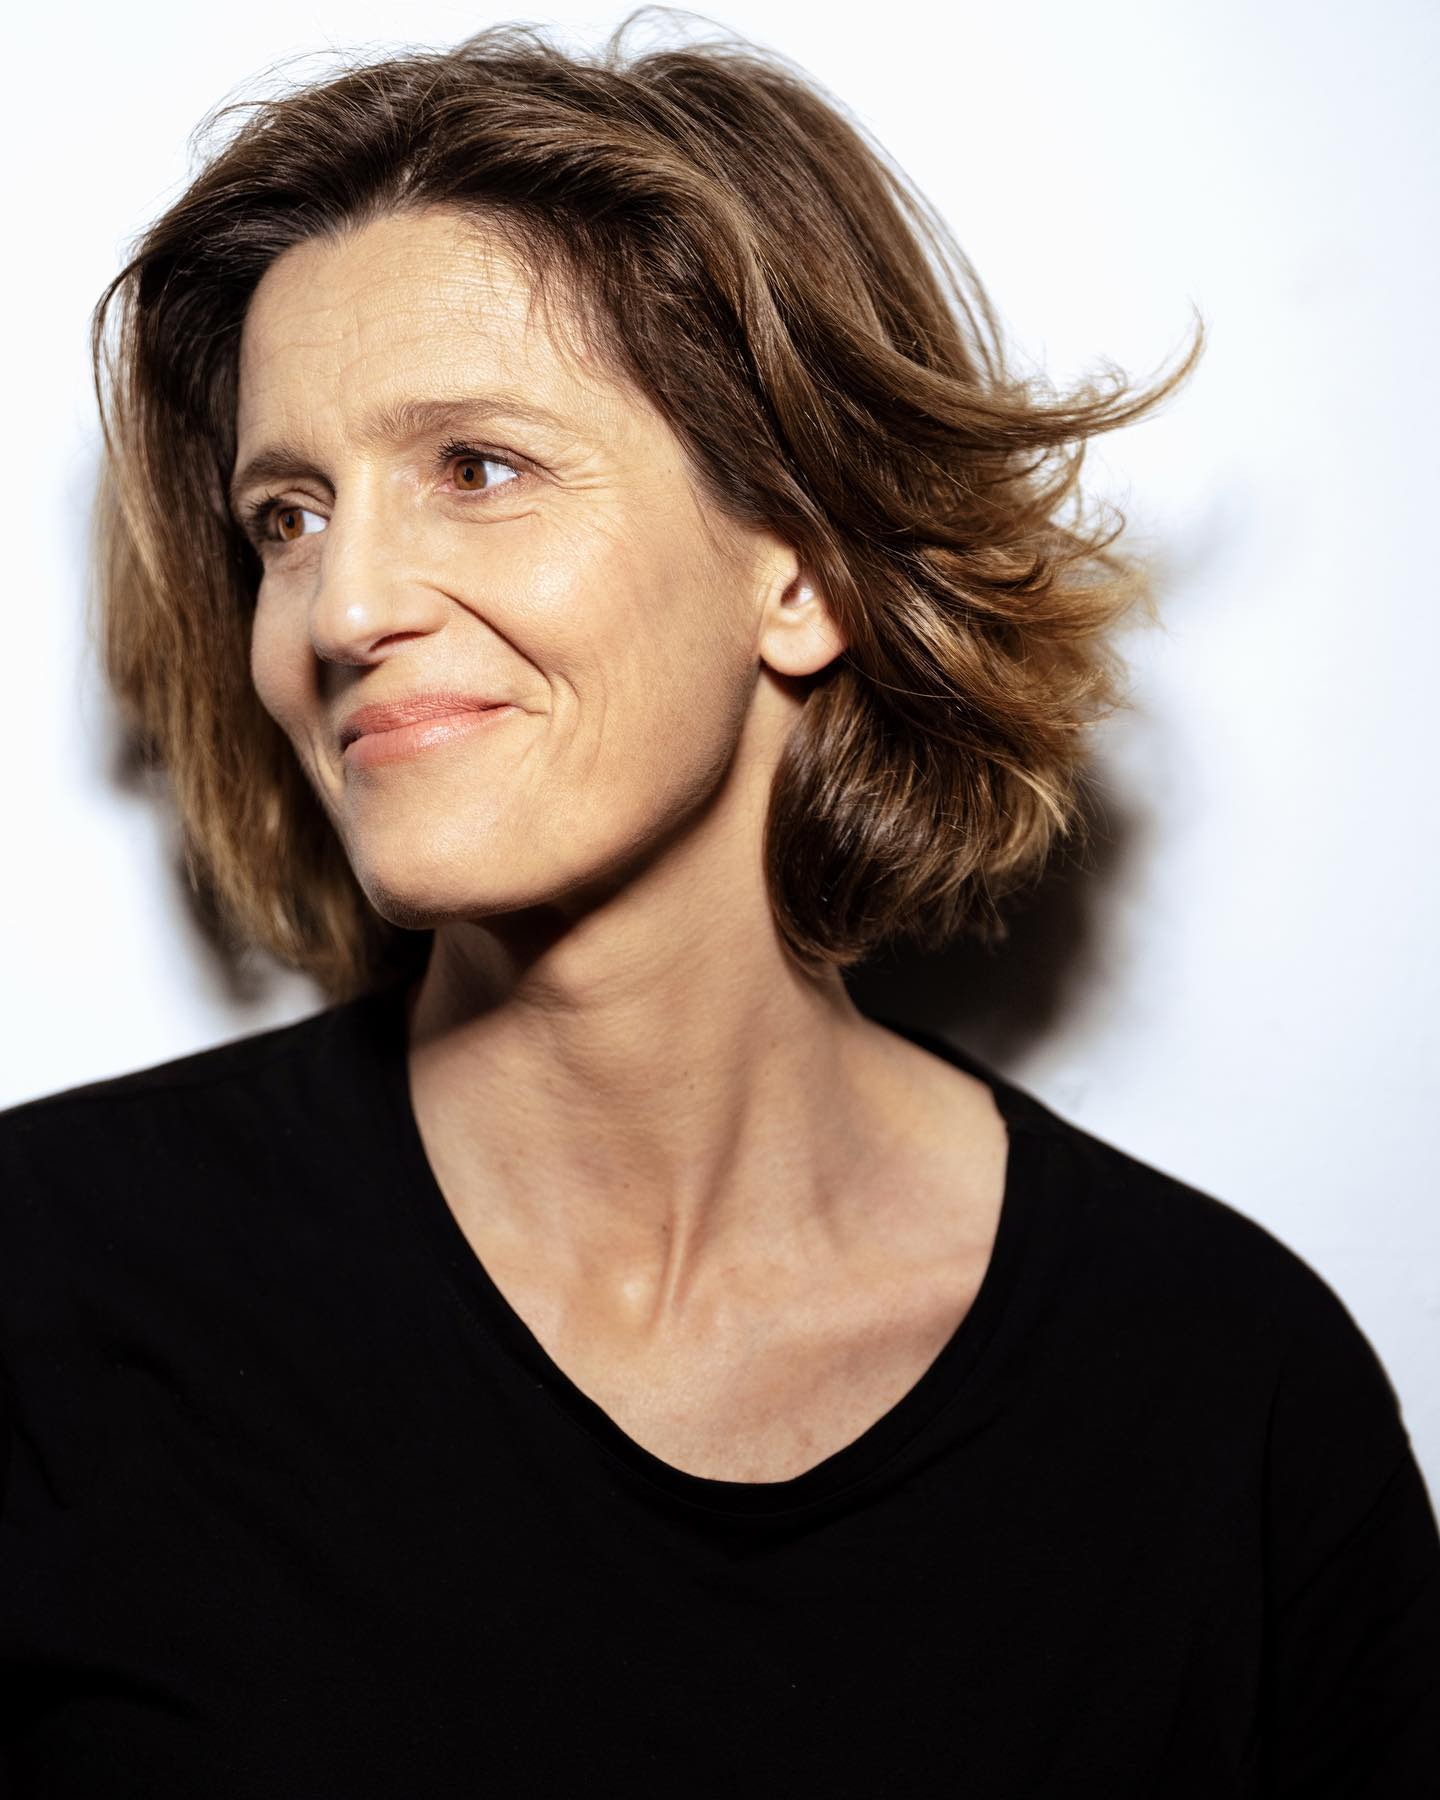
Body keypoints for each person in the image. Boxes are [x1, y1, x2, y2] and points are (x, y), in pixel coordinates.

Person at [2, 13, 1436, 1796]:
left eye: (476, 467)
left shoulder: (1226, 1393)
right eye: (287, 516)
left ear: (804, 571)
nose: (342, 607)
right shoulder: (47, 1288)